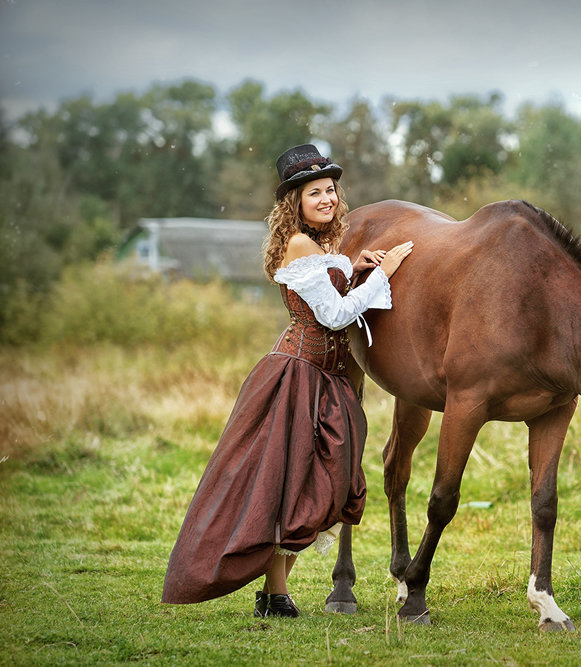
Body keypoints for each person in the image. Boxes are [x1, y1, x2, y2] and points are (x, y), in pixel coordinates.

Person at [162, 144, 413, 618]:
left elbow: (329, 287)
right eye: (314, 192)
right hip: (297, 377)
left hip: (325, 380)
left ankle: (275, 595)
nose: (327, 199)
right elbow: (335, 316)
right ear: (293, 202)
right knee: (291, 486)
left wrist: (354, 268)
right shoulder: (300, 243)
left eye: (331, 190)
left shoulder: (319, 245)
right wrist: (383, 275)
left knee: (314, 485)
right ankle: (275, 595)